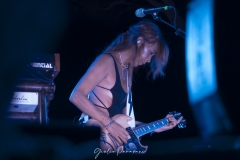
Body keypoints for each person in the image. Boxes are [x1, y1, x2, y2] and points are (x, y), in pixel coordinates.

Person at [69, 19, 183, 152]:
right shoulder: (106, 61)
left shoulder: (127, 70)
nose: (149, 60)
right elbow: (76, 95)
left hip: (114, 146)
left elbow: (124, 126)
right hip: (95, 142)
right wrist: (109, 124)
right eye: (151, 53)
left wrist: (154, 127)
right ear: (139, 41)